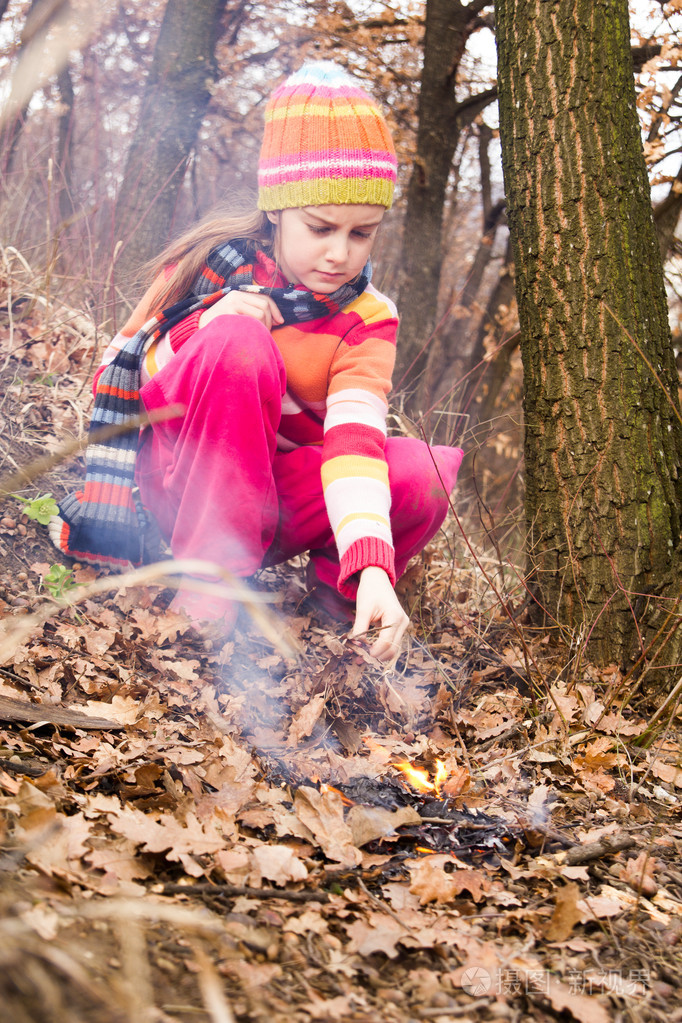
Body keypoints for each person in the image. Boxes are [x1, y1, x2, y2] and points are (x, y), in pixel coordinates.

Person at [51, 61, 463, 662]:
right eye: (320, 227)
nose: (339, 254)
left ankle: (342, 606)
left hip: (271, 504)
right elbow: (123, 376)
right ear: (276, 209)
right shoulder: (209, 265)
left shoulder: (368, 317)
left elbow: (353, 441)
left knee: (425, 470)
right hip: (176, 485)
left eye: (362, 233)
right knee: (239, 341)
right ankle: (208, 587)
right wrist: (203, 325)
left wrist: (373, 566)